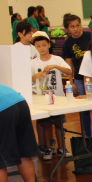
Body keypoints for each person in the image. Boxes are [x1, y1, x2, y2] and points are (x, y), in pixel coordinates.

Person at [31, 31, 72, 160]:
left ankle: (62, 148)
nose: (41, 48)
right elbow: (28, 78)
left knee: (59, 124)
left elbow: (69, 71)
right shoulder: (33, 63)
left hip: (57, 97)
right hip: (42, 99)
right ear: (35, 47)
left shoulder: (57, 59)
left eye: (44, 45)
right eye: (38, 46)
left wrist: (55, 66)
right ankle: (48, 149)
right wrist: (37, 76)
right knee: (46, 125)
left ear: (49, 45)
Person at [62, 14, 92, 137]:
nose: (76, 29)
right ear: (67, 29)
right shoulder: (68, 43)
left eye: (78, 25)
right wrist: (71, 82)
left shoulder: (90, 36)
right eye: (72, 27)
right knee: (84, 109)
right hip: (79, 78)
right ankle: (87, 136)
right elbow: (69, 64)